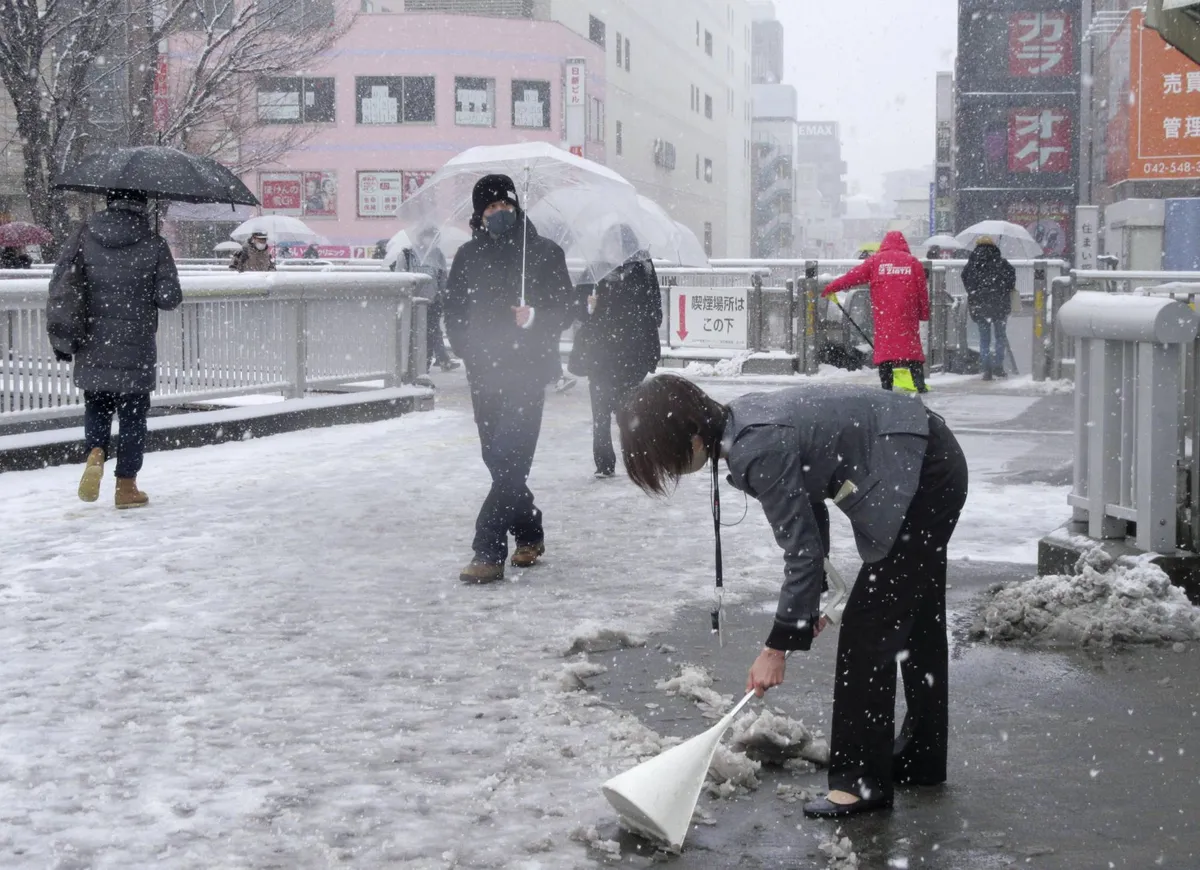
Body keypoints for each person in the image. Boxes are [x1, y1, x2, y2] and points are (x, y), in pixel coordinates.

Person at [616, 374, 968, 819]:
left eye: (663, 457)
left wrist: (777, 646)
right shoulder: (743, 422)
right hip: (926, 453)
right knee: (914, 619)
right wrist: (811, 601)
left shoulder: (755, 446)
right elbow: (809, 499)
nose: (668, 470)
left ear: (688, 432)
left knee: (868, 632)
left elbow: (800, 550)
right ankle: (921, 757)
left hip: (921, 473)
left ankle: (861, 785)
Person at [443, 174, 574, 583]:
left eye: (506, 206)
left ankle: (487, 550)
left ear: (517, 208)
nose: (500, 213)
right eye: (491, 208)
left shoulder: (543, 253)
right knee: (498, 459)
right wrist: (467, 348)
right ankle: (530, 530)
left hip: (528, 372)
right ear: (479, 214)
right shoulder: (467, 256)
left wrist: (535, 317)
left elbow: (566, 310)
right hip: (484, 373)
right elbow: (454, 312)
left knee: (510, 456)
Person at [46, 190, 183, 509]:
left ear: (108, 201)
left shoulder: (83, 235)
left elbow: (60, 281)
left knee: (97, 405)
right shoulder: (153, 243)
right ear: (143, 206)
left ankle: (96, 451)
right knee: (134, 416)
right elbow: (169, 298)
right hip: (135, 345)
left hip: (93, 340)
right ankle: (126, 487)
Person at [579, 225, 662, 477]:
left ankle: (636, 461)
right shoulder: (595, 272)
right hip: (601, 356)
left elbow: (655, 311)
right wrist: (588, 307)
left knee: (629, 413)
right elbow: (578, 309)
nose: (614, 250)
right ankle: (604, 464)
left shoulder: (644, 270)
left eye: (620, 245)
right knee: (601, 414)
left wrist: (638, 322)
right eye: (610, 244)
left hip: (632, 355)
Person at [822, 231, 930, 394]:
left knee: (885, 354)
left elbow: (852, 277)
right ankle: (920, 385)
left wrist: (832, 287)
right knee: (911, 352)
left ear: (884, 244)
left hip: (884, 316)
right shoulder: (913, 263)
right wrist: (924, 314)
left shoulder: (875, 262)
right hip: (907, 316)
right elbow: (922, 292)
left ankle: (886, 389)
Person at [401, 226, 459, 372]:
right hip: (412, 303)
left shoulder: (437, 254)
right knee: (414, 336)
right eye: (430, 237)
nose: (432, 241)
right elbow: (400, 279)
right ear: (422, 237)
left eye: (435, 238)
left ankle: (424, 370)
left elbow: (442, 277)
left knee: (430, 335)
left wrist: (444, 296)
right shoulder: (407, 254)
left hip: (433, 302)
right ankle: (412, 369)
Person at [961, 236, 1014, 381]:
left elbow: (966, 279)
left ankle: (987, 369)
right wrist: (1002, 290)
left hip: (980, 306)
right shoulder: (1002, 263)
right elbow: (1011, 279)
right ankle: (999, 366)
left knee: (984, 339)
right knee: (1000, 337)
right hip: (1000, 305)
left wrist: (974, 293)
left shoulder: (972, 264)